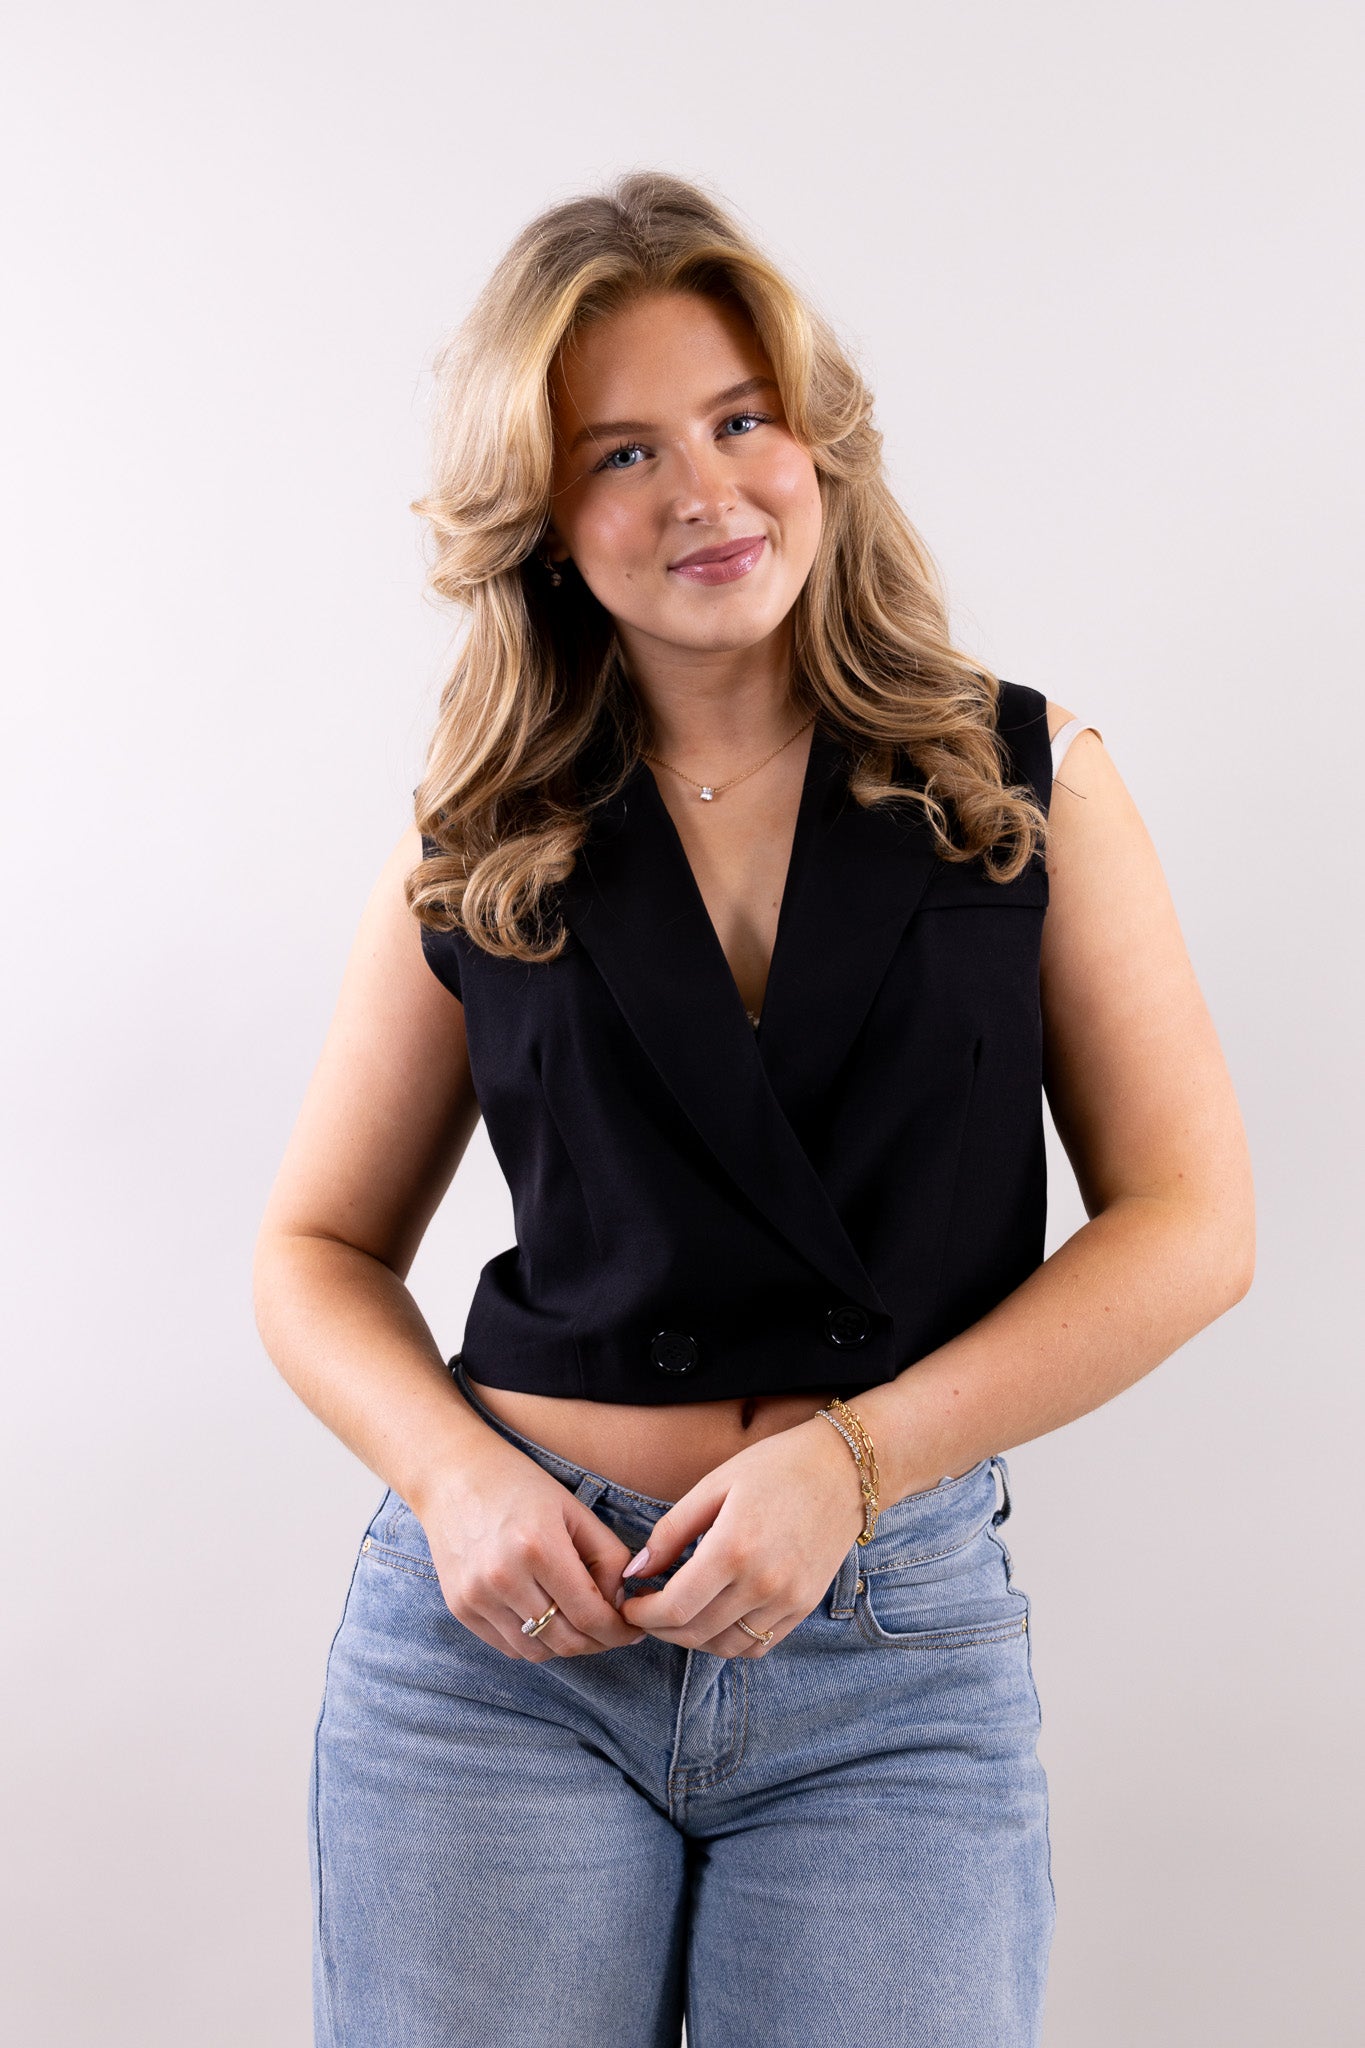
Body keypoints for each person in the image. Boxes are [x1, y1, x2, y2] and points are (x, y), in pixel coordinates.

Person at [253, 171, 1255, 2048]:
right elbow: (311, 1249)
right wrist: (456, 1479)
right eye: (621, 454)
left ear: (820, 442)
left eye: (739, 421)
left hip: (889, 1656)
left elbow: (1193, 1226)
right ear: (545, 521)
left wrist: (853, 1466)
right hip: (507, 1653)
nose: (704, 493)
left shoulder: (1023, 781)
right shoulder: (483, 830)